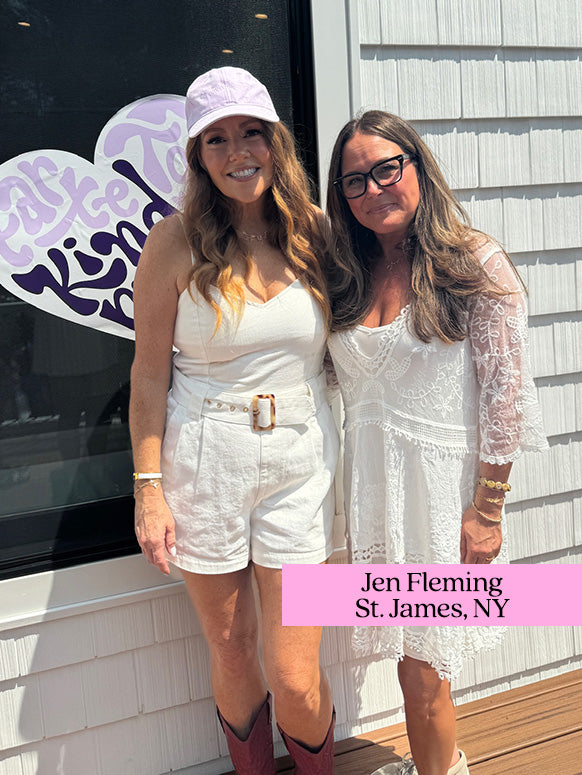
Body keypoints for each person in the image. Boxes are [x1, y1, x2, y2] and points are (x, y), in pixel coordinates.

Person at [325, 111, 548, 775]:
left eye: (386, 168)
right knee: (410, 659)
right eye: (354, 180)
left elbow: (504, 397)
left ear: (417, 166)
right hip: (376, 497)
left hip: (441, 502)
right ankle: (443, 758)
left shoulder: (474, 262)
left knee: (424, 674)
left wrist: (488, 509)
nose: (372, 189)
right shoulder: (348, 274)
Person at [129, 67, 339, 775]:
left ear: (276, 142)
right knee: (229, 644)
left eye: (251, 131)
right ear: (197, 156)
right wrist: (148, 486)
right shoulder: (172, 242)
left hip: (300, 460)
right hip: (204, 457)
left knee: (296, 673)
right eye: (216, 138)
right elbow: (150, 373)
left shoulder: (315, 234)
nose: (236, 150)